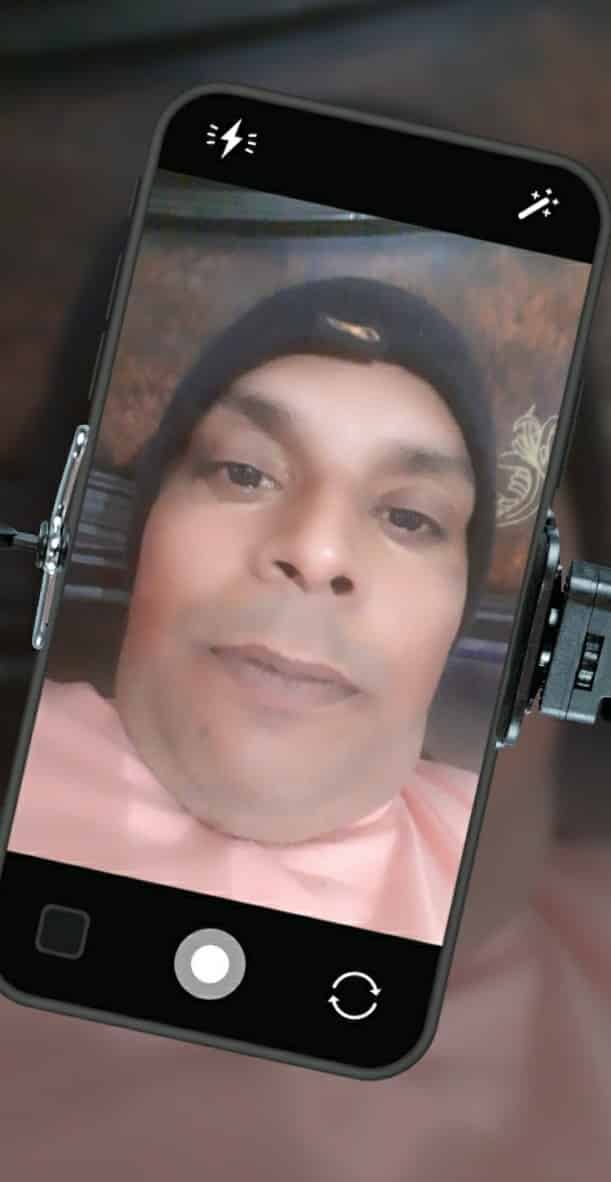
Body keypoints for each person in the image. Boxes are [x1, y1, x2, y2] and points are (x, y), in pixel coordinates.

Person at [8, 277, 497, 945]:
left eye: (409, 518)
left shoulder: (512, 880)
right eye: (243, 472)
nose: (317, 552)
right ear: (145, 536)